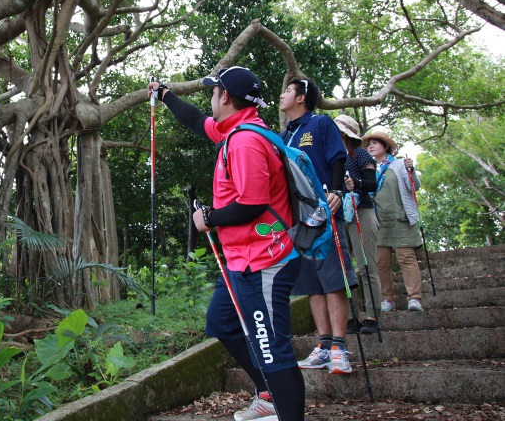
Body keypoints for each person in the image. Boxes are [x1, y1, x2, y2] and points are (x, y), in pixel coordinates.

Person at [149, 66, 304, 421]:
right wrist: (165, 94)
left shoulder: (246, 141)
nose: (211, 97)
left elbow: (252, 202)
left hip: (264, 261)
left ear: (226, 97)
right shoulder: (232, 129)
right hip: (239, 261)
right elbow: (196, 120)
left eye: (214, 91)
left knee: (272, 349)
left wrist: (210, 218)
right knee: (221, 324)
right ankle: (267, 394)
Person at [278, 77, 358, 375]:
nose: (282, 95)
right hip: (297, 219)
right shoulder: (283, 135)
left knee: (333, 279)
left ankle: (339, 347)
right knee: (311, 284)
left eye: (288, 91)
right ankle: (323, 347)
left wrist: (336, 192)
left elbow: (338, 159)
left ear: (302, 98)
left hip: (325, 212)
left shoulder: (322, 124)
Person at [361, 130, 424, 312]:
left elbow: (415, 187)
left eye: (375, 143)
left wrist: (411, 169)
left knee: (406, 257)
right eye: (369, 143)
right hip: (378, 222)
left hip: (401, 218)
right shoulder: (367, 168)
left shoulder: (398, 165)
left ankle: (414, 297)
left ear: (385, 146)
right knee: (381, 262)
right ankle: (387, 299)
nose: (371, 146)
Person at [334, 114, 381, 334]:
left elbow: (372, 183)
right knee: (344, 268)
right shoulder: (331, 155)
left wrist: (357, 183)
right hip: (338, 214)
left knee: (366, 265)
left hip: (361, 210)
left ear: (343, 133)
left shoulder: (360, 154)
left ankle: (372, 315)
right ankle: (350, 316)